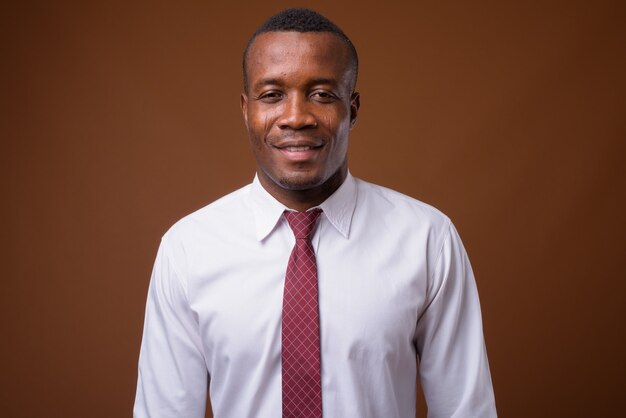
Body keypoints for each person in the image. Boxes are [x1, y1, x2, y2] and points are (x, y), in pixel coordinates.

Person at [134, 8, 497, 418]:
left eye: (322, 94)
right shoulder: (187, 249)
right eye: (272, 95)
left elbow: (466, 411)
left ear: (353, 109)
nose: (296, 117)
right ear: (245, 110)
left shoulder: (428, 240)